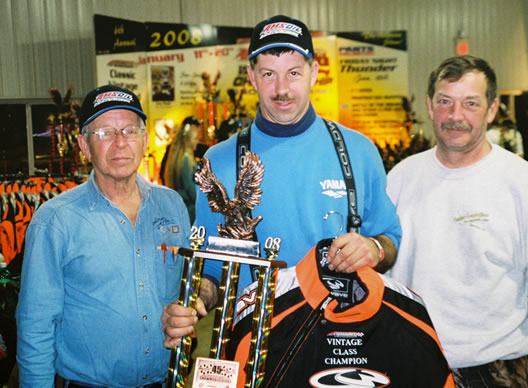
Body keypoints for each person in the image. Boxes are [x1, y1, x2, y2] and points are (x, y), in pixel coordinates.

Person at [161, 14, 402, 348]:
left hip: (346, 342)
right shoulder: (218, 161)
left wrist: (372, 248)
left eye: (294, 73)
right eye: (268, 74)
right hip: (256, 348)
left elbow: (389, 242)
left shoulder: (358, 151)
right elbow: (212, 270)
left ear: (314, 73)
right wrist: (193, 301)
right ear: (251, 77)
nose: (282, 89)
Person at [386, 55, 528, 387]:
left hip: (497, 370)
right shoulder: (400, 179)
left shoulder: (526, 185)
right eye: (445, 102)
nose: (455, 115)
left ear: (492, 110)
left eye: (470, 104)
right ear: (430, 106)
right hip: (411, 363)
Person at [16, 85, 192, 388]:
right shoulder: (56, 220)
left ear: (144, 139)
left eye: (129, 131)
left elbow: (182, 296)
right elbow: (36, 327)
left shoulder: (172, 205)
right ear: (84, 145)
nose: (120, 143)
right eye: (105, 133)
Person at [163, 116, 201, 222]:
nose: (197, 142)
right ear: (188, 139)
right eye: (196, 138)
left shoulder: (176, 157)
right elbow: (191, 189)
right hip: (189, 213)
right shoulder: (186, 160)